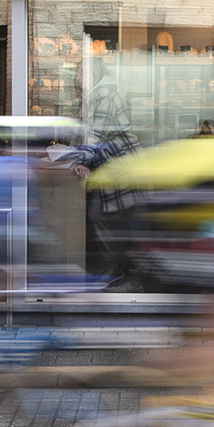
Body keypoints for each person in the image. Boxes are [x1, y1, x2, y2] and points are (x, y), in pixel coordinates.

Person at [72, 58, 142, 291]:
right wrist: (70, 154)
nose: (77, 76)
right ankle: (116, 273)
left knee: (111, 222)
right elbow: (80, 131)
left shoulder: (104, 93)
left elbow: (95, 133)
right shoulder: (92, 96)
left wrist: (81, 159)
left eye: (82, 71)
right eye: (77, 71)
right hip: (109, 168)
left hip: (121, 167)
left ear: (94, 73)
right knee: (106, 220)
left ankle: (127, 277)